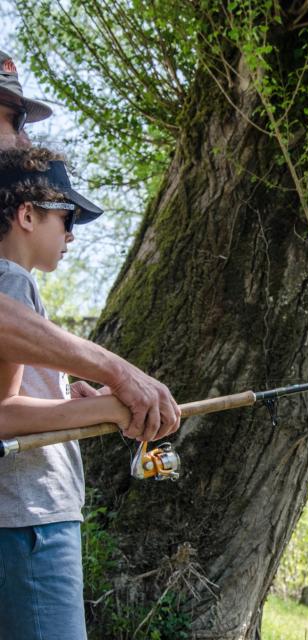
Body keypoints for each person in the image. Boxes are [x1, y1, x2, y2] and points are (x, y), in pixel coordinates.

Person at [0, 146, 163, 639]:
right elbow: (3, 415)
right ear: (27, 215)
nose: (71, 235)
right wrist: (105, 408)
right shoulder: (10, 282)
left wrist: (76, 404)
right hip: (30, 522)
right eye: (65, 218)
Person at [0, 49, 180, 440]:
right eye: (14, 120)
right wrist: (115, 379)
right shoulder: (11, 279)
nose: (24, 138)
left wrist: (74, 402)